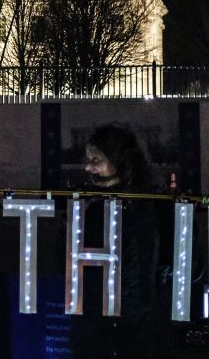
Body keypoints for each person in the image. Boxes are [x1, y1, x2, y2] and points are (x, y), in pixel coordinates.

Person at [64, 125, 163, 358]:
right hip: (96, 318)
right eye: (88, 160)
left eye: (96, 159)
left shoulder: (151, 204)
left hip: (135, 320)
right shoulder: (85, 205)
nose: (89, 167)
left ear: (118, 160)